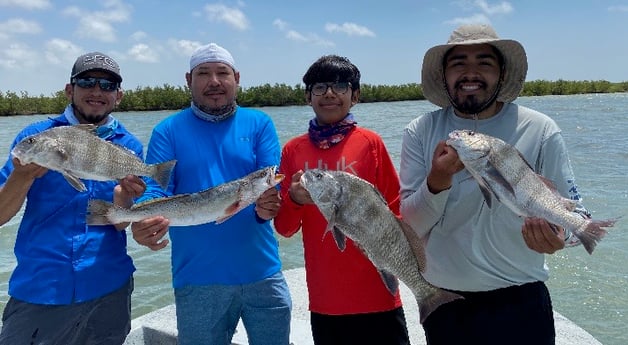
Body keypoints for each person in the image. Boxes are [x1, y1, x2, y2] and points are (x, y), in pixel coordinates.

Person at [399, 24, 590, 345]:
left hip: (521, 302)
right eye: (458, 63)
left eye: (484, 62)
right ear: (444, 75)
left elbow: (576, 215)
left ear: (501, 73)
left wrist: (560, 237)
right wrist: (438, 180)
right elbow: (412, 227)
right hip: (445, 303)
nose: (470, 73)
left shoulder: (541, 129)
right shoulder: (419, 131)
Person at [125, 43, 291, 345]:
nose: (214, 81)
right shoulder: (167, 130)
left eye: (222, 73)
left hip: (263, 272)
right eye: (204, 73)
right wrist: (144, 222)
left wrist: (267, 206)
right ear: (189, 80)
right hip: (197, 279)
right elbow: (154, 188)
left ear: (237, 78)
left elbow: (271, 182)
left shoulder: (260, 124)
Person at [0, 52, 143, 344]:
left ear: (119, 95)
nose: (96, 91)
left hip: (110, 286)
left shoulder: (129, 146)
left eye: (107, 85)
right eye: (87, 82)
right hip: (41, 288)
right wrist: (22, 176)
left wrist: (123, 199)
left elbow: (119, 225)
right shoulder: (36, 136)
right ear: (70, 90)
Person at [274, 55, 411, 345]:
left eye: (340, 86)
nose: (329, 93)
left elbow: (396, 209)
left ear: (355, 95)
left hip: (379, 293)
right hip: (326, 301)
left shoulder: (371, 142)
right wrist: (295, 200)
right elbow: (284, 228)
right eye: (320, 86)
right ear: (307, 96)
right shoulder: (292, 151)